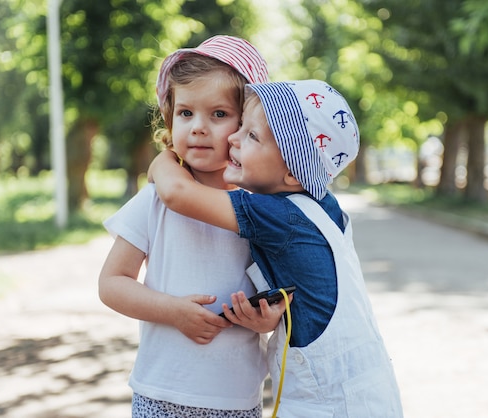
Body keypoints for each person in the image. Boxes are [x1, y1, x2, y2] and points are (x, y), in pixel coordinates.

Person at [150, 79, 405, 417]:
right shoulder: (324, 208)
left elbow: (177, 195)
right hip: (370, 394)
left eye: (251, 136)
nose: (232, 138)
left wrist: (163, 160)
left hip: (325, 405)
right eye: (240, 127)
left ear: (292, 172)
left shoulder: (276, 214)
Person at [99, 35, 286, 418]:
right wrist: (172, 311)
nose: (198, 128)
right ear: (169, 119)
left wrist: (271, 313)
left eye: (218, 114)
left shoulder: (263, 207)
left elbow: (284, 288)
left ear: (248, 122)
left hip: (236, 399)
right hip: (160, 393)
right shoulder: (154, 201)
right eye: (186, 113)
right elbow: (111, 283)